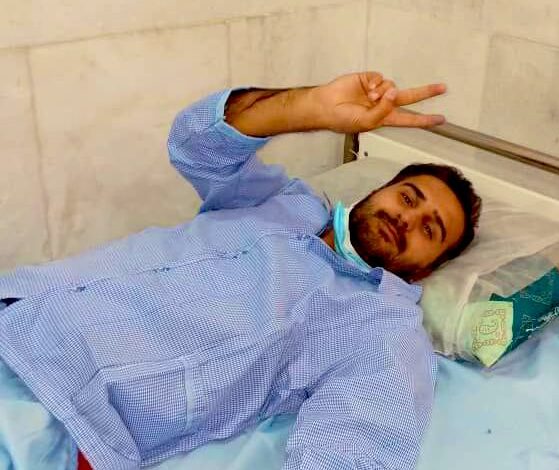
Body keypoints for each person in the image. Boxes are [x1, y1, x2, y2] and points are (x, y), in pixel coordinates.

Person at [0, 72, 481, 469]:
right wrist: (308, 107)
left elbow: (354, 447)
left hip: (59, 410)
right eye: (408, 198)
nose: (406, 219)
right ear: (375, 191)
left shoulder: (382, 325)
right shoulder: (282, 202)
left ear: (425, 270)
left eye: (430, 229)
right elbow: (194, 145)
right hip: (18, 303)